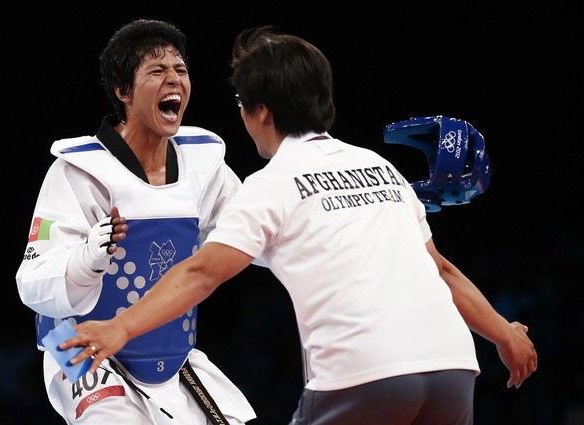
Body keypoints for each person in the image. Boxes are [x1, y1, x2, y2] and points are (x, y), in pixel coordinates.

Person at [61, 26, 538, 425]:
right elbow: (441, 270)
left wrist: (120, 328)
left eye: (241, 103)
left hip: (363, 376)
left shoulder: (271, 184)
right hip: (453, 371)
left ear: (261, 112)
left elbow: (201, 273)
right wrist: (503, 333)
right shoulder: (381, 167)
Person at [16, 19, 256, 424]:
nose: (173, 79)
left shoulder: (203, 163)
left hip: (171, 354)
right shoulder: (78, 170)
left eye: (180, 70)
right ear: (123, 91)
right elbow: (32, 283)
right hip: (77, 347)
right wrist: (86, 259)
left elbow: (254, 234)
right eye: (157, 71)